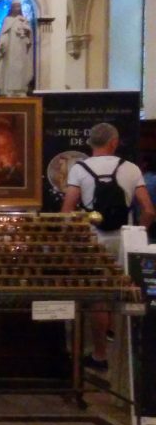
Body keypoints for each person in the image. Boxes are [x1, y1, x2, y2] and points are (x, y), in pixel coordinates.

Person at [61, 123, 155, 371]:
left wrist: (71, 239)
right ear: (114, 142)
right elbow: (148, 210)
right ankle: (130, 362)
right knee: (127, 295)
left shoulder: (79, 169)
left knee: (99, 299)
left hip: (94, 241)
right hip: (124, 239)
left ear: (91, 143)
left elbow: (67, 211)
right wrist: (138, 233)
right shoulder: (131, 169)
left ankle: (100, 354)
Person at [0, 0, 34, 96]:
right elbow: (4, 34)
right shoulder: (8, 20)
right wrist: (1, 43)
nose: (17, 8)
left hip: (21, 48)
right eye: (15, 6)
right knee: (10, 68)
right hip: (11, 49)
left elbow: (29, 36)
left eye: (18, 6)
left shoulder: (23, 20)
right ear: (12, 8)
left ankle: (20, 90)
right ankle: (9, 90)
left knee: (21, 68)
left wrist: (27, 32)